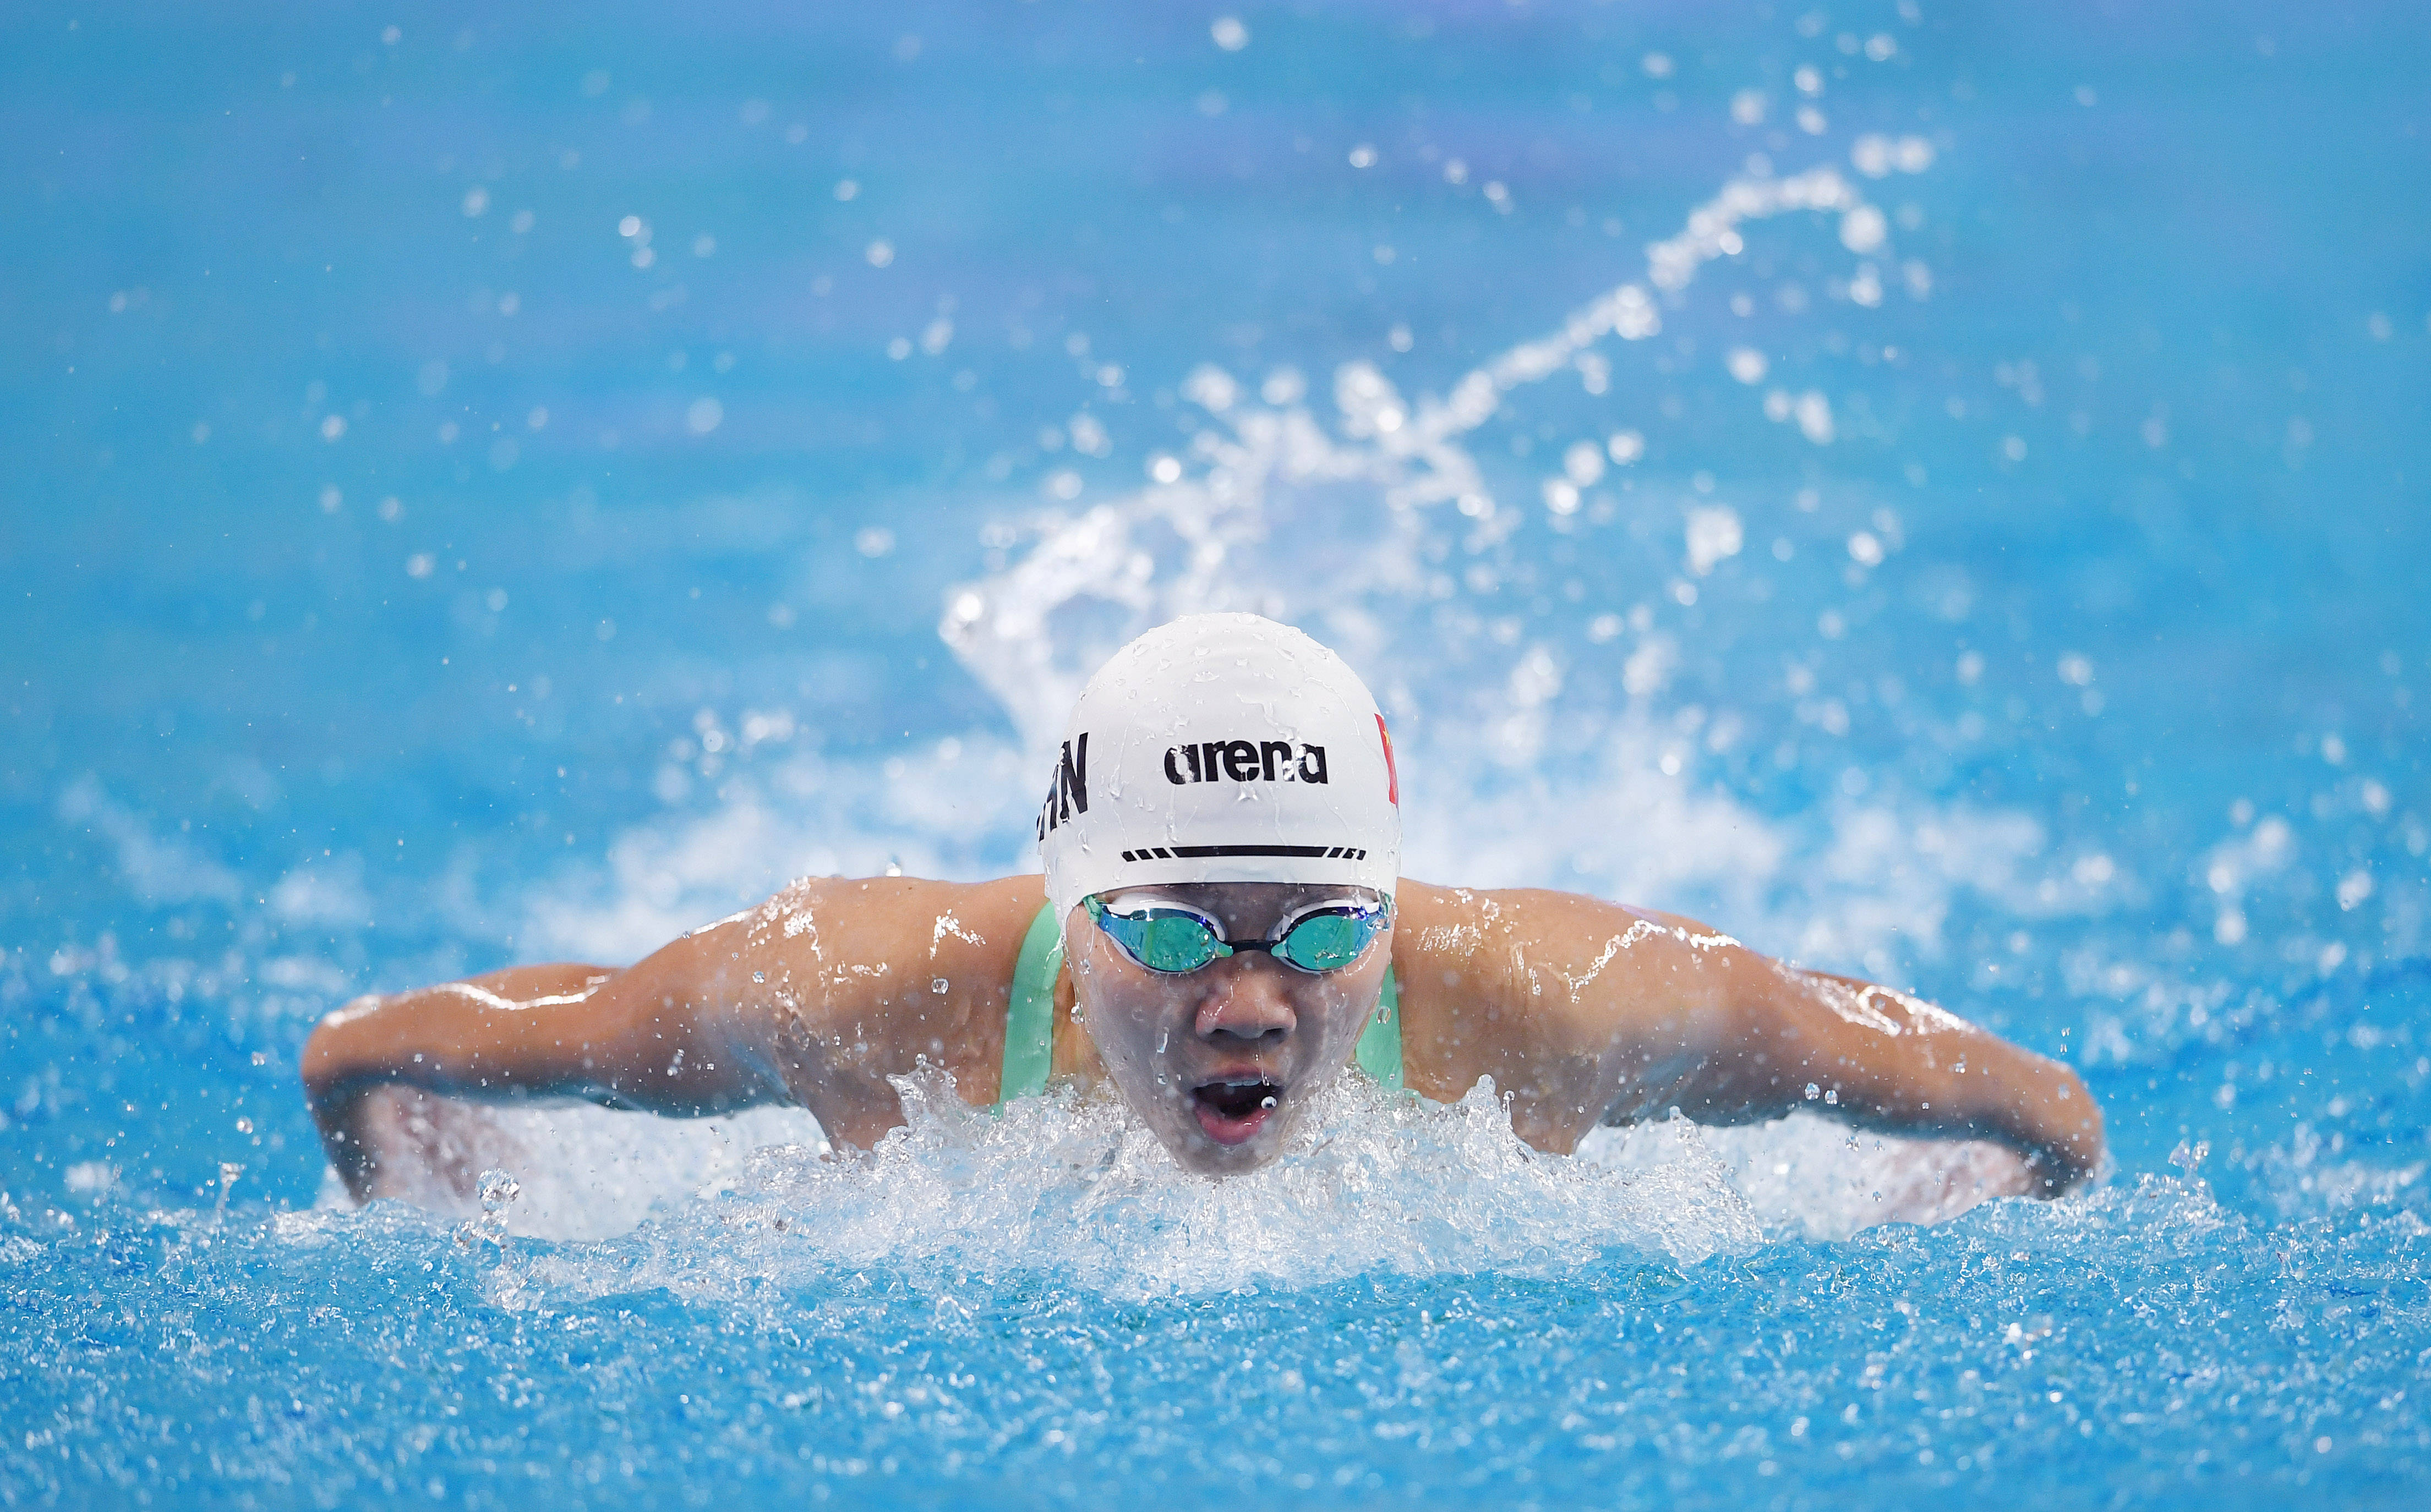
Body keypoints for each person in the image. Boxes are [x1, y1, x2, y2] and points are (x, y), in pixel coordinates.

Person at [304, 613, 2104, 1202]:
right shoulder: (853, 990)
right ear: (1072, 907)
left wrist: (1956, 1208)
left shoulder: (1568, 1003)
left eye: (1317, 927)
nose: (1248, 1001)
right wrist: (436, 1204)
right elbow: (385, 1051)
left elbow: (2020, 1106)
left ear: (1387, 909)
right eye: (1174, 929)